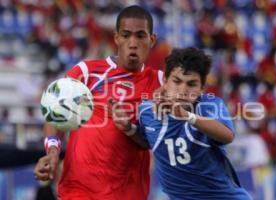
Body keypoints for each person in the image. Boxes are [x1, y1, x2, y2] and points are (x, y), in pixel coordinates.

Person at [34, 5, 162, 200]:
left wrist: (129, 128)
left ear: (151, 40)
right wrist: (52, 152)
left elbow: (155, 141)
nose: (133, 43)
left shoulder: (160, 83)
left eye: (140, 36)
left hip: (129, 193)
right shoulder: (87, 72)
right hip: (78, 191)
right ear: (116, 37)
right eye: (126, 35)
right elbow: (56, 115)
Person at [112, 47, 252, 199]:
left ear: (202, 88)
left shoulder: (210, 105)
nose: (182, 91)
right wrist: (129, 128)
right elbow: (149, 141)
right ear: (165, 81)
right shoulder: (147, 110)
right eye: (177, 82)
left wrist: (187, 116)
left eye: (191, 84)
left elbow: (227, 136)